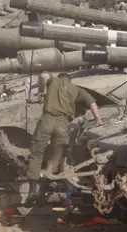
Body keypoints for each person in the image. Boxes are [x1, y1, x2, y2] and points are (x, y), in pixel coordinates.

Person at [24, 71, 102, 206]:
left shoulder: (54, 82)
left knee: (36, 154)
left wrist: (42, 91)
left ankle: (33, 192)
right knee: (57, 157)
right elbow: (92, 103)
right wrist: (98, 119)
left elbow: (43, 75)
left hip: (47, 121)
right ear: (70, 80)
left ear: (60, 78)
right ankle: (46, 183)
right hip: (63, 125)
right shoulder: (76, 89)